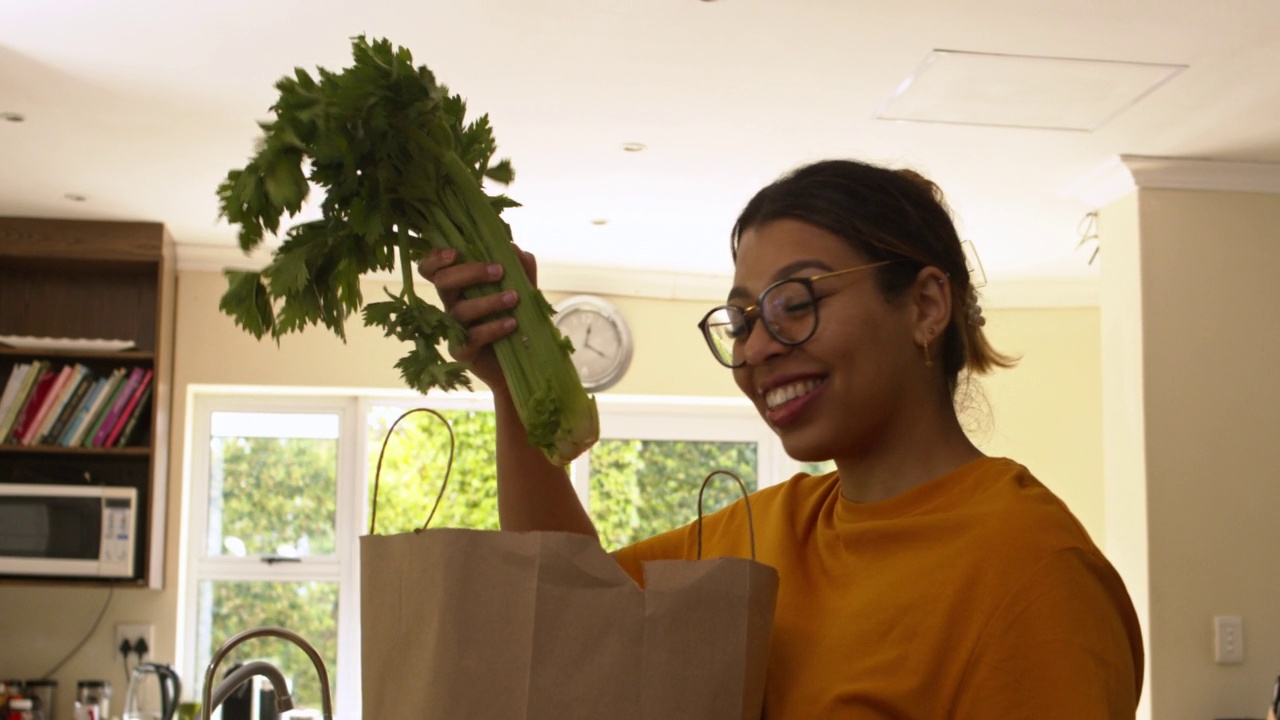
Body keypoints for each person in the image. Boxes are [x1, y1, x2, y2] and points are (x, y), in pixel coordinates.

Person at [417, 158, 1144, 718]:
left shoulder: (1032, 572)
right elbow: (573, 615)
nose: (759, 348)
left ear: (925, 306)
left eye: (795, 304)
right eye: (740, 322)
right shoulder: (773, 529)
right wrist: (513, 382)